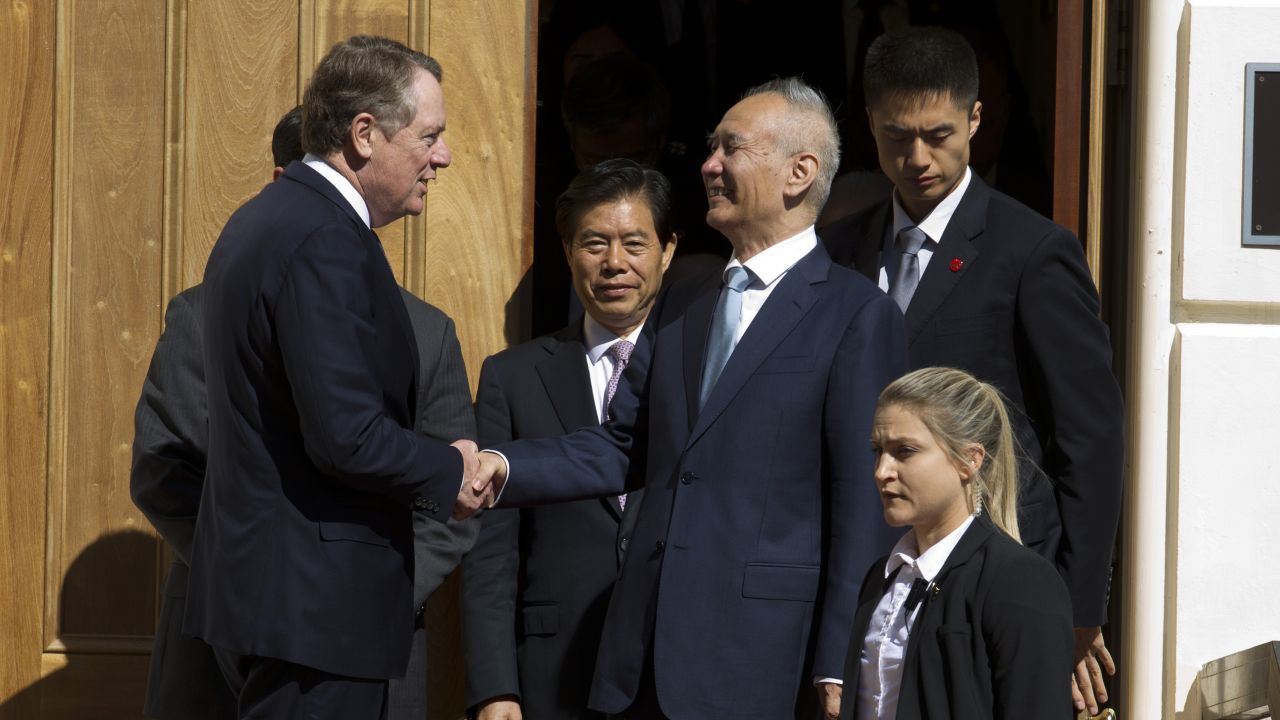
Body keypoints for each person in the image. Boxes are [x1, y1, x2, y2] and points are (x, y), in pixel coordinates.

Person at [468, 77, 907, 719]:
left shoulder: (855, 314)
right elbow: (626, 444)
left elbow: (864, 503)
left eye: (730, 148)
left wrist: (840, 657)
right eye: (710, 148)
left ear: (798, 173)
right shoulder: (686, 302)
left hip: (765, 663)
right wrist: (502, 466)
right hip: (644, 661)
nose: (708, 164)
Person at [131, 103, 477, 720]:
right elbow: (165, 474)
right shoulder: (204, 313)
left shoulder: (427, 333)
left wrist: (366, 591)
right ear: (280, 181)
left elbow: (451, 497)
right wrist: (254, 589)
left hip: (372, 635)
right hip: (222, 641)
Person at [823, 26, 1125, 716]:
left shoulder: (1033, 250)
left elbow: (1091, 436)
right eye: (898, 137)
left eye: (939, 134)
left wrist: (1079, 608)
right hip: (871, 577)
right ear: (869, 126)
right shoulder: (840, 250)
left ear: (976, 119)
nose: (919, 158)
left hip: (992, 570)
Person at [461, 159, 676, 720]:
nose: (614, 264)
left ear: (667, 251)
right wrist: (493, 688)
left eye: (634, 243)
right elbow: (492, 552)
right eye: (594, 244)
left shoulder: (701, 369)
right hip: (554, 674)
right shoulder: (512, 376)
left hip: (675, 665)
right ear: (567, 252)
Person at [839, 367, 1074, 719]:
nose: (881, 471)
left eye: (904, 451)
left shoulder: (1019, 580)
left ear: (969, 460)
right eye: (877, 450)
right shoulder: (882, 577)